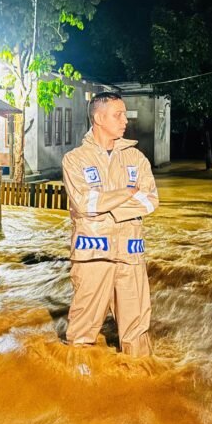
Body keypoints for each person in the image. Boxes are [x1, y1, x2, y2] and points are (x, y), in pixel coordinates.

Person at [62, 92, 159, 357]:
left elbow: (150, 201)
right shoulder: (75, 160)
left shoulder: (136, 158)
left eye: (124, 114)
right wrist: (127, 193)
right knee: (82, 333)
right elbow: (85, 203)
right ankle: (78, 379)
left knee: (137, 334)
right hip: (92, 254)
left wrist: (106, 206)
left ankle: (139, 378)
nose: (125, 120)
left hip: (131, 253)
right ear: (98, 118)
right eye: (118, 115)